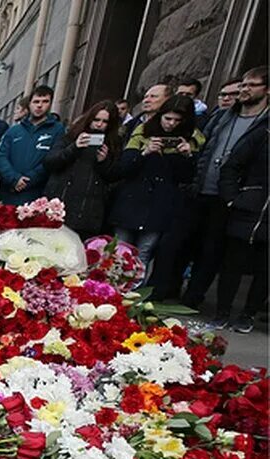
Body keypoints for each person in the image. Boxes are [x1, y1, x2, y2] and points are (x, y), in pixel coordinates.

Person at [158, 66, 269, 306]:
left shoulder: (264, 124)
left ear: (266, 90)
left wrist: (238, 196)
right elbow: (204, 145)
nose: (244, 90)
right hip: (200, 189)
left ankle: (193, 298)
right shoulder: (222, 116)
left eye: (251, 85)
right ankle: (166, 289)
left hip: (230, 197)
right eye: (243, 85)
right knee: (176, 242)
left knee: (211, 251)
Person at [109, 95, 201, 278]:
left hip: (160, 206)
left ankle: (133, 295)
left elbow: (187, 178)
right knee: (119, 251)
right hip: (132, 201)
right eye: (167, 118)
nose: (171, 124)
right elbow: (124, 168)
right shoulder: (142, 132)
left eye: (177, 120)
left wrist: (187, 156)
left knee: (144, 252)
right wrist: (145, 152)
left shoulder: (191, 139)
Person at [212, 105, 267, 332]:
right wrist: (232, 198)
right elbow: (232, 165)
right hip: (248, 207)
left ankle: (248, 314)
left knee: (266, 270)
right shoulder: (263, 132)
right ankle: (222, 311)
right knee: (232, 265)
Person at [43, 101, 123, 238]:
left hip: (87, 213)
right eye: (96, 120)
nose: (99, 124)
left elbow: (114, 176)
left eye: (105, 121)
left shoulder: (113, 145)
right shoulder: (71, 136)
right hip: (60, 204)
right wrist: (74, 147)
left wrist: (103, 162)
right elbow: (49, 162)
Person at [0, 85, 64, 205]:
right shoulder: (14, 131)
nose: (39, 105)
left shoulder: (57, 130)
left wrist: (27, 181)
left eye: (45, 102)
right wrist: (14, 178)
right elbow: (1, 156)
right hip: (8, 193)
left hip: (36, 196)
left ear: (50, 104)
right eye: (36, 101)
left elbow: (53, 160)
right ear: (29, 104)